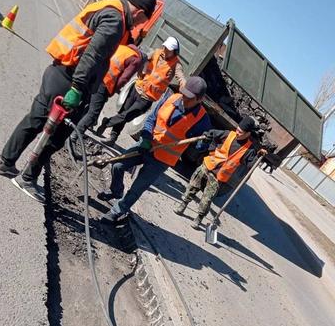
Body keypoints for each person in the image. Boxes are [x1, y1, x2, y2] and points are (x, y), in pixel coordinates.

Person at [0, 0, 156, 203]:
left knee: (35, 119)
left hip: (59, 71)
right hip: (70, 79)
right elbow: (93, 54)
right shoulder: (115, 20)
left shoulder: (111, 8)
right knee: (56, 135)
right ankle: (27, 178)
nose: (141, 24)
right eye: (144, 20)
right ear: (139, 11)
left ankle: (6, 162)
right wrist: (77, 87)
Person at [100, 77, 211, 224]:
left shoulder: (202, 120)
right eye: (184, 94)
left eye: (189, 98)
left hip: (162, 159)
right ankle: (116, 190)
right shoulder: (172, 98)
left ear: (200, 99)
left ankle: (116, 212)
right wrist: (146, 136)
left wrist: (204, 142)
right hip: (147, 143)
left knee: (137, 188)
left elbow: (198, 148)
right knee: (118, 165)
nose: (184, 98)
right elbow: (152, 118)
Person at [174, 116, 268, 228]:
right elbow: (213, 134)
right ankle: (183, 204)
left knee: (207, 199)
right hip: (207, 165)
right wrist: (211, 150)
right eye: (237, 129)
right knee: (192, 187)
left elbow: (250, 165)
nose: (237, 133)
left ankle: (199, 218)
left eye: (241, 132)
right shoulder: (228, 134)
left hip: (218, 177)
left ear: (248, 134)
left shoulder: (249, 150)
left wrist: (259, 157)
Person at [97, 36, 186, 145]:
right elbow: (143, 58)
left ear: (174, 52)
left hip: (147, 97)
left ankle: (107, 122)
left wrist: (184, 85)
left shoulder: (176, 65)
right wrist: (142, 70)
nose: (165, 50)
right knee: (123, 112)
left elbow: (180, 77)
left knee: (127, 115)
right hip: (137, 88)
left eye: (169, 50)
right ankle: (113, 138)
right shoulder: (157, 52)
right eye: (165, 47)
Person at [70, 44, 147, 140]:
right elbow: (124, 79)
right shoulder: (136, 60)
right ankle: (75, 135)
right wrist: (113, 90)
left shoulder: (123, 47)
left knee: (88, 102)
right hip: (105, 82)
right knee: (93, 112)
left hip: (95, 73)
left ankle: (73, 124)